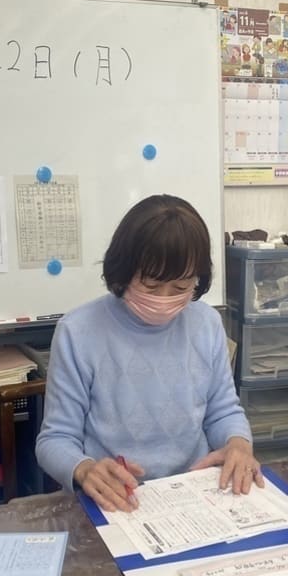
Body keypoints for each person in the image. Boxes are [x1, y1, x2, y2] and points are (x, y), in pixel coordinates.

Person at [35, 195, 262, 513]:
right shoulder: (78, 331)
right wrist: (85, 469)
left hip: (194, 493)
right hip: (115, 499)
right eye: (151, 287)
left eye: (181, 288)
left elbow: (223, 411)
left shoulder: (207, 323)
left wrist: (238, 443)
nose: (164, 299)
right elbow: (55, 439)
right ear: (123, 273)